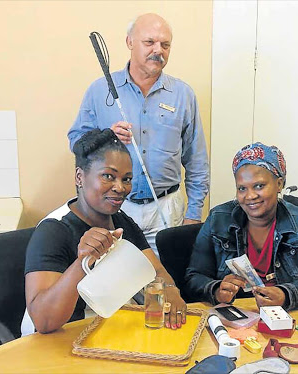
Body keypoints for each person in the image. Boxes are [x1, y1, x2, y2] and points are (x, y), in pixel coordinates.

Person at [67, 13, 209, 257]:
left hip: (167, 208)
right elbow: (76, 142)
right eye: (149, 42)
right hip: (115, 208)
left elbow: (197, 160)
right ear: (130, 42)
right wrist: (106, 136)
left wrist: (193, 215)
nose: (158, 50)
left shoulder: (183, 94)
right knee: (118, 283)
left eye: (165, 45)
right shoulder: (100, 90)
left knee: (165, 283)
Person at [24, 129, 186, 334]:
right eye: (108, 176)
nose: (120, 187)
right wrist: (82, 262)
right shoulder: (53, 231)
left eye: (127, 179)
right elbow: (44, 322)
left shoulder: (121, 221)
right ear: (80, 177)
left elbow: (156, 272)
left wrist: (169, 290)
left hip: (105, 332)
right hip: (59, 338)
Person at [184, 142, 298, 310]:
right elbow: (193, 277)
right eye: (242, 188)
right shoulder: (218, 219)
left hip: (288, 314)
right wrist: (216, 290)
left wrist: (287, 294)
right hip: (237, 314)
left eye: (259, 186)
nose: (250, 196)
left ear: (279, 184)